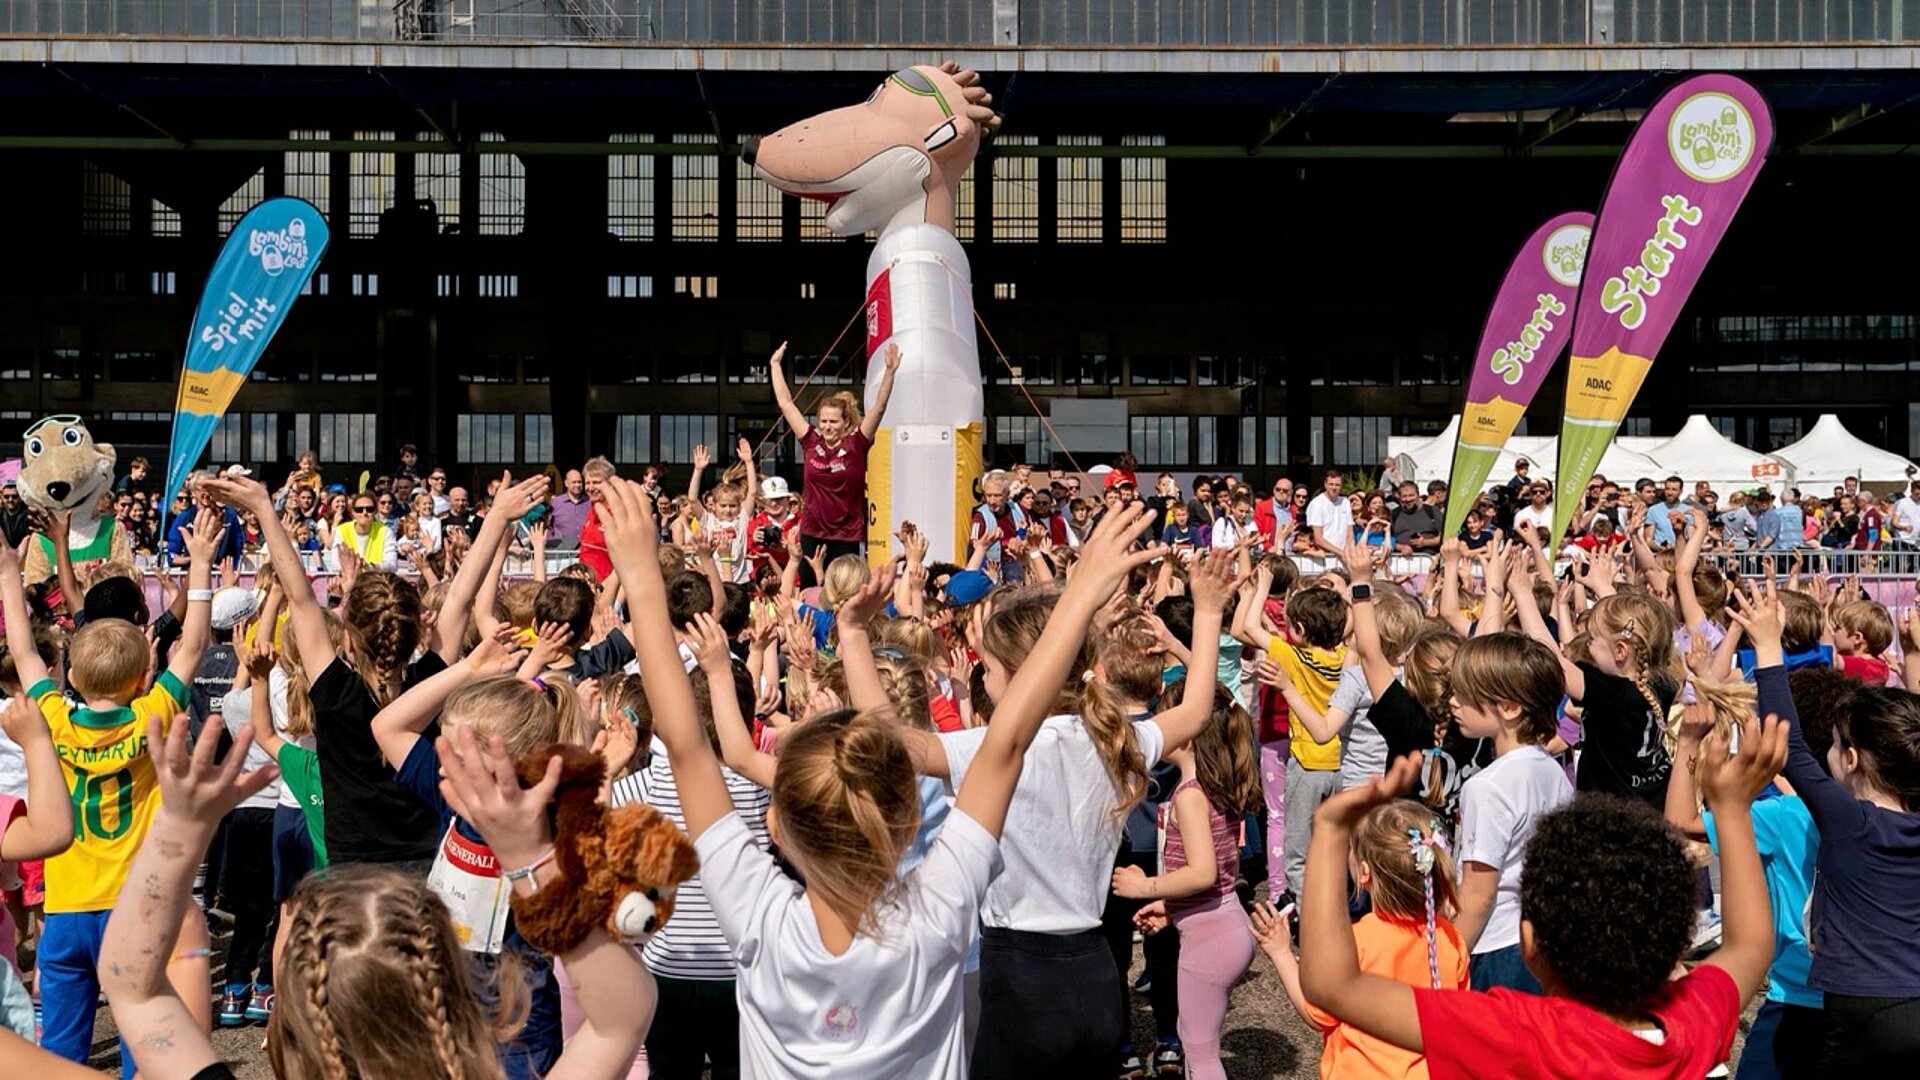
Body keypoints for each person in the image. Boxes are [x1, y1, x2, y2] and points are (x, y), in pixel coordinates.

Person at [602, 476, 1156, 1077]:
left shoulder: (758, 918)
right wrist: (1077, 598)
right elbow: (1009, 743)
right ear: (910, 819)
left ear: (776, 828)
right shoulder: (939, 912)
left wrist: (640, 576)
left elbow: (685, 748)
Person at [1291, 706, 1784, 1079]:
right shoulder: (1695, 1019)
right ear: (1675, 941)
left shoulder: (1524, 1035)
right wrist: (1733, 810)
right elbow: (1750, 944)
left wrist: (1331, 831)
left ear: (1530, 943)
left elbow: (1336, 985)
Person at [1, 505, 217, 1069]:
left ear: (69, 676)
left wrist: (8, 571)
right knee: (143, 1039)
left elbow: (24, 653)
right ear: (145, 675)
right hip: (132, 907)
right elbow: (192, 647)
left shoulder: (54, 717)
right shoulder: (152, 714)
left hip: (67, 908)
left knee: (61, 1050)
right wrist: (200, 566)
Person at [1733, 584, 1920, 1070]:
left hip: (1859, 1005)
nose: (1828, 751)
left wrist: (1768, 647)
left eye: (1835, 744)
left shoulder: (1848, 820)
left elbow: (1791, 748)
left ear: (1852, 760)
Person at [1253, 799, 1467, 1080]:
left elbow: (1316, 1013)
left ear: (1364, 873)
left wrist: (1280, 952)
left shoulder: (1357, 941)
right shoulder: (1450, 937)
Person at [1110, 683, 1261, 1080]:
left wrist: (1147, 888)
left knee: (1201, 1053)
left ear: (1190, 733)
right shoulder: (1216, 784)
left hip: (1211, 941)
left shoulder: (1191, 795)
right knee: (1195, 1041)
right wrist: (1171, 908)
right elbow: (1218, 879)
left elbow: (1202, 873)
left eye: (1168, 717)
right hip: (1226, 928)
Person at [1447, 634, 1574, 993]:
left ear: (1509, 707)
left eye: (1464, 693)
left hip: (1493, 948)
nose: (1453, 702)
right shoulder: (1552, 771)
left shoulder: (1487, 787)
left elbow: (1477, 894)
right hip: (1542, 943)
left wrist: (1446, 961)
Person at [769, 340, 902, 568]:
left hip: (847, 536)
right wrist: (774, 365)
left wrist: (890, 372)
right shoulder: (811, 441)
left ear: (845, 422)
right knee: (811, 592)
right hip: (812, 534)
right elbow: (786, 403)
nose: (827, 426)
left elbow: (879, 407)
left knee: (845, 593)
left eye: (833, 421)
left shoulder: (857, 444)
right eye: (823, 421)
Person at [1303, 469, 1352, 555]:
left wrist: (1347, 551)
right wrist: (1340, 552)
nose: (1334, 487)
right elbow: (1317, 538)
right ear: (1325, 484)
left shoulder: (1345, 502)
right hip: (1324, 556)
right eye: (1331, 484)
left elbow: (1350, 532)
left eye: (1337, 485)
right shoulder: (1317, 503)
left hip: (1344, 555)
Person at [1389, 481, 1440, 555]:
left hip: (1428, 559)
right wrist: (1401, 547)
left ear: (1418, 495)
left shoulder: (1432, 511)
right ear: (1399, 498)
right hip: (1400, 560)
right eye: (1404, 496)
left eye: (1411, 495)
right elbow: (1386, 539)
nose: (1408, 499)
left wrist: (1425, 543)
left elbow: (1444, 537)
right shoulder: (1394, 514)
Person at [0, 485, 28, 550]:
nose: (10, 500)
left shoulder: (30, 516)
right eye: (6, 497)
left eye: (14, 496)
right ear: (2, 498)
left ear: (20, 498)